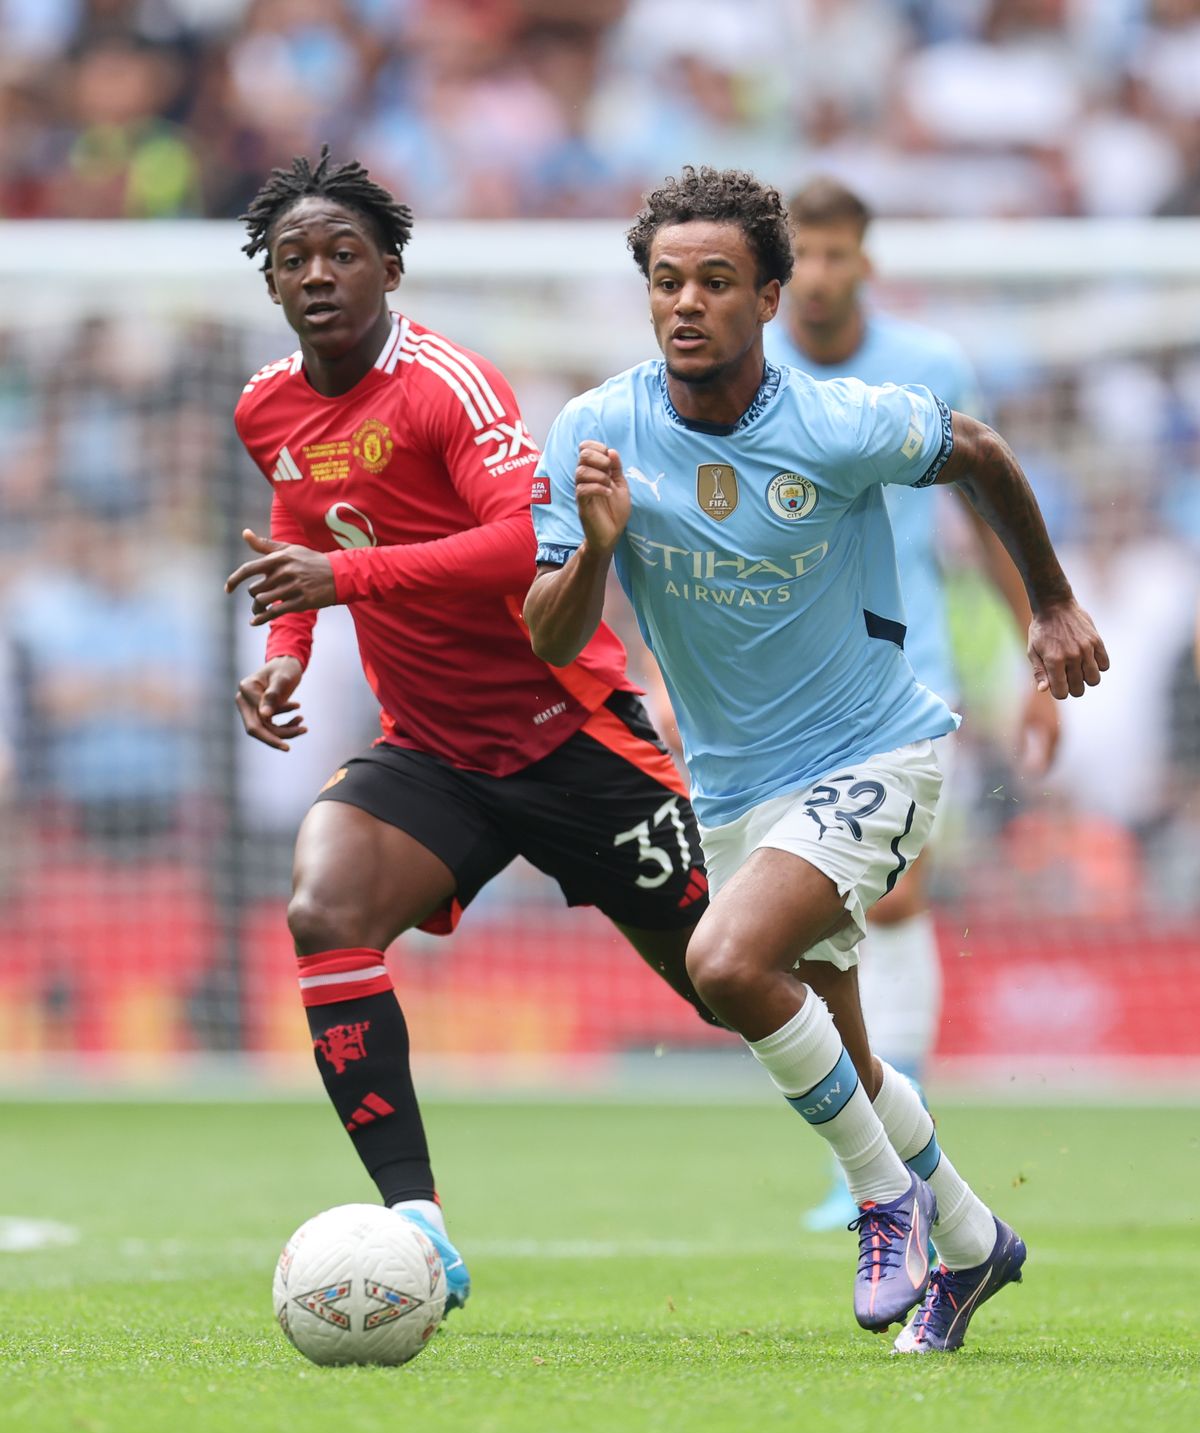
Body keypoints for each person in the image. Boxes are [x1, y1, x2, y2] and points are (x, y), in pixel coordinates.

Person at [524, 165, 1108, 1352]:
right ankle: (973, 1241)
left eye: (718, 281)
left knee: (727, 965)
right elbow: (551, 634)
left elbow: (982, 452)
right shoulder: (594, 431)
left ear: (770, 295)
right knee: (843, 1047)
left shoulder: (838, 422)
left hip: (878, 748)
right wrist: (594, 548)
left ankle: (881, 1199)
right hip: (737, 785)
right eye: (666, 281)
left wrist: (1049, 605)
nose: (687, 303)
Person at [226, 148, 715, 1314]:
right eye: (294, 260)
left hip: (569, 729)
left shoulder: (447, 384)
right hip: (433, 746)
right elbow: (302, 520)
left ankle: (898, 1163)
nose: (319, 274)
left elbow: (523, 541)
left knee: (730, 979)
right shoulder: (265, 405)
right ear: (273, 285)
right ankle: (416, 1228)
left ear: (390, 268)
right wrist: (281, 658)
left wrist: (345, 582)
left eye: (344, 253)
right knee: (323, 910)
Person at [765, 176, 1060, 1231]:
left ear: (866, 262)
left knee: (889, 901)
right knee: (816, 926)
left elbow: (983, 513)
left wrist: (1039, 635)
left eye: (840, 253)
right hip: (782, 683)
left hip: (907, 673)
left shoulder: (930, 367)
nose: (823, 274)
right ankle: (878, 1146)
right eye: (805, 253)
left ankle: (893, 1147)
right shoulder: (742, 370)